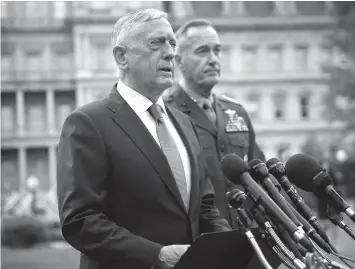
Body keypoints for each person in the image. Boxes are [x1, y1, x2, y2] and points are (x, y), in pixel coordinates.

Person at [56, 9, 231, 269]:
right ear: (121, 57)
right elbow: (79, 220)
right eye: (156, 43)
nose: (171, 52)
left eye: (172, 43)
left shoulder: (185, 124)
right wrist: (155, 255)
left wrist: (230, 246)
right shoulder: (87, 123)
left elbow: (204, 207)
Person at [165, 19, 265, 228]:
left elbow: (260, 175)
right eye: (202, 51)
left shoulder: (236, 113)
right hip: (199, 241)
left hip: (247, 237)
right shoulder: (165, 113)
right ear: (178, 60)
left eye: (217, 51)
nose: (213, 59)